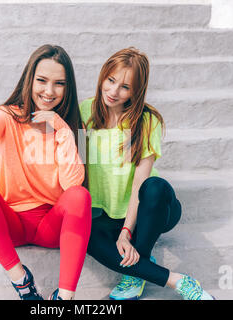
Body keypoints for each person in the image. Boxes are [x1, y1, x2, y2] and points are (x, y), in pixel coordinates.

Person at [0, 44, 92, 300]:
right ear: (29, 79)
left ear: (68, 88)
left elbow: (72, 184)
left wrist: (63, 129)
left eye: (59, 84)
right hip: (12, 224)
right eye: (41, 80)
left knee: (80, 195)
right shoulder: (8, 116)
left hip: (51, 227)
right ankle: (22, 282)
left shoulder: (77, 128)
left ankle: (64, 298)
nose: (49, 91)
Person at [79, 47, 215, 300]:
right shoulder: (84, 112)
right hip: (107, 214)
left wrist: (126, 232)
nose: (113, 91)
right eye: (110, 80)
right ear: (103, 76)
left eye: (125, 87)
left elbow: (138, 183)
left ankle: (135, 272)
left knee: (155, 186)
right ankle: (178, 281)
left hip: (149, 212)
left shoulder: (147, 120)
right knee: (84, 236)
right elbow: (79, 167)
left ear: (136, 91)